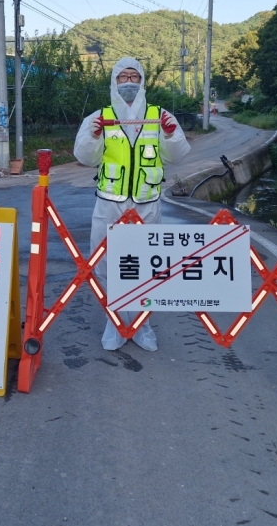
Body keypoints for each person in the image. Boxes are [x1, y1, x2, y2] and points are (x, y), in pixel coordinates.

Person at [74, 57, 191, 351]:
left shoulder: (159, 116)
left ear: (142, 82)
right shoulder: (97, 118)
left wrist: (170, 133)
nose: (128, 82)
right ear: (114, 82)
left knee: (145, 265)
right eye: (122, 77)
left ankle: (141, 326)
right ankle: (114, 324)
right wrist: (94, 136)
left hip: (146, 204)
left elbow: (176, 155)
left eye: (133, 77)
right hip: (109, 205)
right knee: (104, 265)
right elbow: (85, 157)